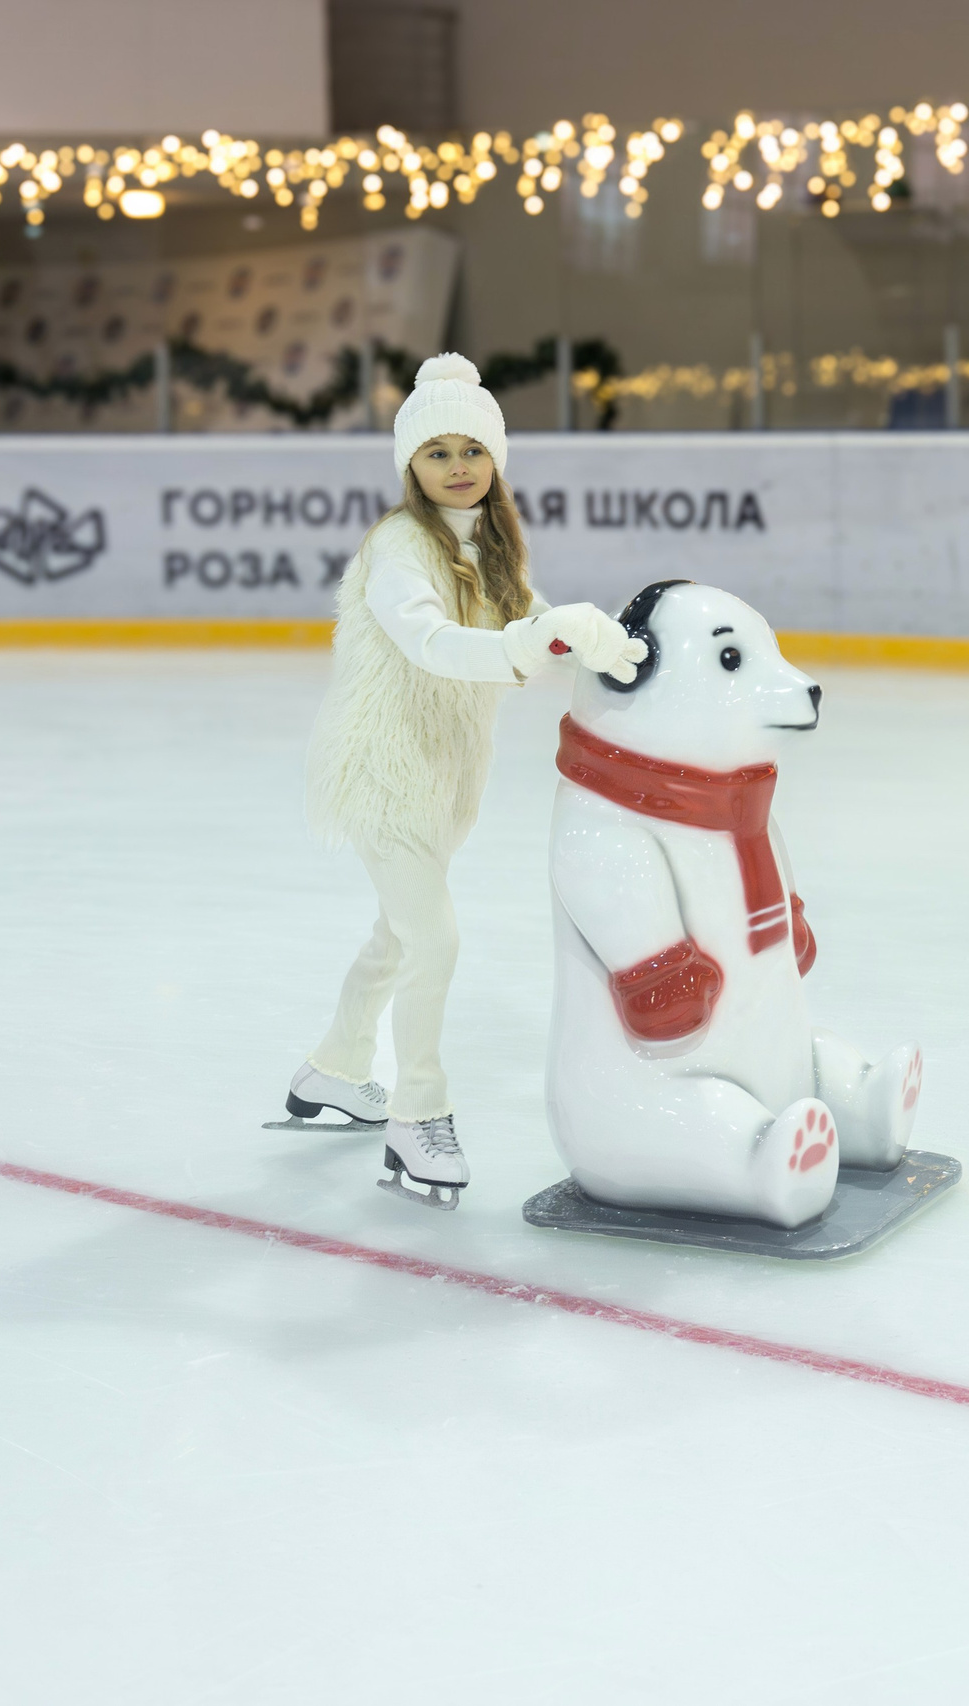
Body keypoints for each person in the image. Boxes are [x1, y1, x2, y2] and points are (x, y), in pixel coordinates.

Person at [285, 352, 645, 1209]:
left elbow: (539, 633)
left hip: (445, 778)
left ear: (496, 459)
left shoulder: (490, 546)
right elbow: (434, 646)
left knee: (398, 936)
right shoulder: (399, 547)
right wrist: (537, 640)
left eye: (472, 449)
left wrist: (607, 654)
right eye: (437, 451)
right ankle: (417, 1117)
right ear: (410, 465)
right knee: (434, 940)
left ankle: (332, 1068)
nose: (457, 466)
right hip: (384, 769)